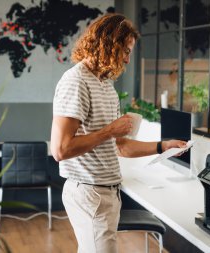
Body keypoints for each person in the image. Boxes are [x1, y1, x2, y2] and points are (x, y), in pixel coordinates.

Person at [51, 13, 186, 253]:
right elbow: (60, 150)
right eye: (125, 51)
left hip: (108, 193)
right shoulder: (76, 81)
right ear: (107, 45)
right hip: (89, 192)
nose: (126, 60)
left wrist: (161, 146)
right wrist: (109, 131)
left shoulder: (106, 87)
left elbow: (120, 146)